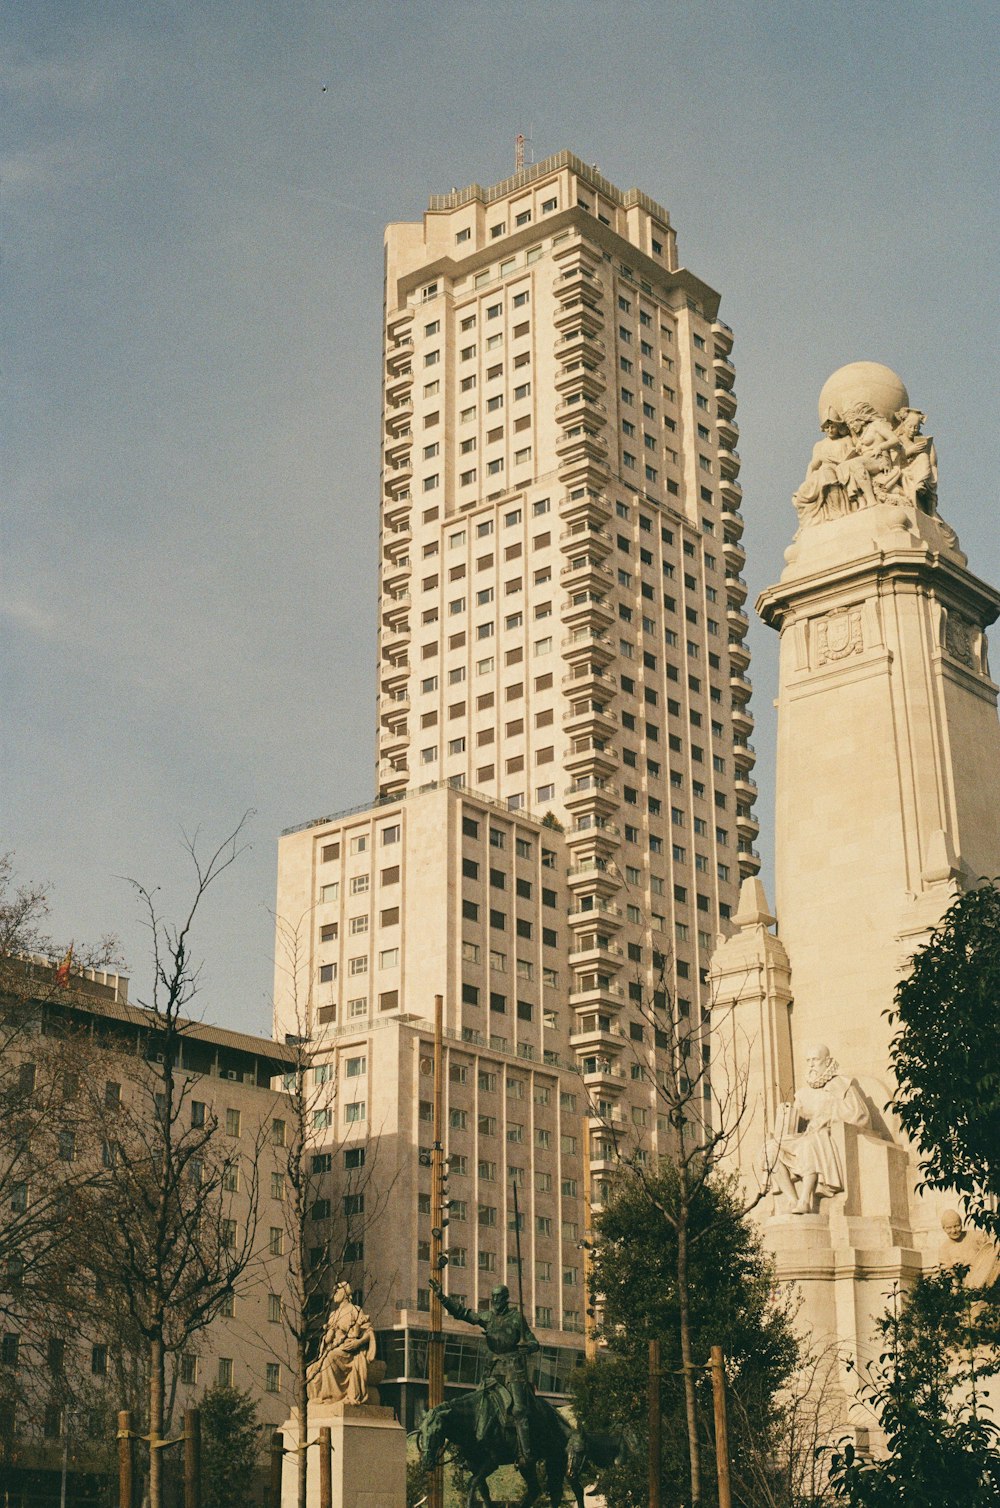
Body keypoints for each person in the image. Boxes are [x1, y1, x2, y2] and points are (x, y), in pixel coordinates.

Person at [429, 1277, 539, 1464]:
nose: (495, 1301)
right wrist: (442, 1297)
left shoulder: (516, 1318)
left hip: (514, 1368)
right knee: (479, 1407)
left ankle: (526, 1454)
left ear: (506, 1298)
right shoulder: (488, 1317)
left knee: (519, 1410)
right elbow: (464, 1313)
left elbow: (534, 1341)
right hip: (493, 1369)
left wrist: (528, 1347)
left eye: (499, 1297)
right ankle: (472, 1453)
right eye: (493, 1297)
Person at [763, 1044, 871, 1214]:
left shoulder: (842, 1085)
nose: (811, 1065)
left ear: (827, 1061)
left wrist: (827, 1118)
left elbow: (859, 1115)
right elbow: (794, 1124)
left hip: (823, 1135)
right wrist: (787, 1115)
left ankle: (805, 1200)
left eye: (815, 1060)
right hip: (802, 1136)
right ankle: (793, 1199)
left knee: (809, 1144)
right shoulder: (802, 1093)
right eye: (808, 1060)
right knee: (770, 1148)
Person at [307, 1280, 378, 1404]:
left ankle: (330, 1396)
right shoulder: (334, 1314)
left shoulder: (355, 1310)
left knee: (330, 1358)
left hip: (350, 1351)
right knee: (311, 1370)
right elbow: (328, 1338)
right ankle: (317, 1397)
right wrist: (327, 1334)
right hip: (335, 1348)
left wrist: (359, 1342)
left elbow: (368, 1332)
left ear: (345, 1293)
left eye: (337, 1291)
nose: (334, 1294)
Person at [937, 1209, 1000, 1290]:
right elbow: (949, 1274)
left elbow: (995, 1241)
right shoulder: (944, 1250)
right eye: (949, 1228)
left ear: (961, 1224)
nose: (954, 1230)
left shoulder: (975, 1237)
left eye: (956, 1226)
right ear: (944, 1228)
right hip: (966, 1288)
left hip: (988, 1279)